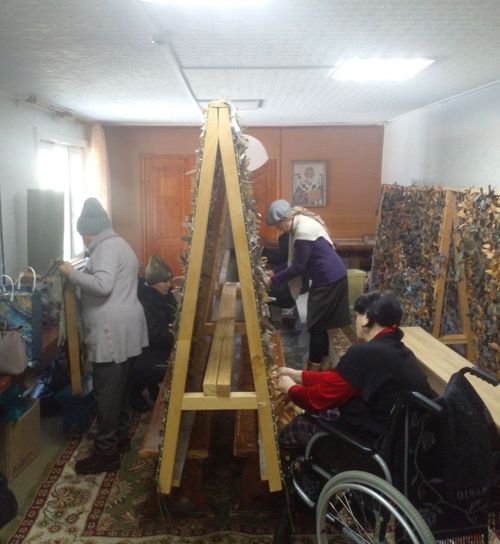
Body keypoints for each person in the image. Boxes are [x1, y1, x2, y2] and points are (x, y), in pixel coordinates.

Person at [274, 291, 433, 450]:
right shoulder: (394, 349)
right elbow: (340, 378)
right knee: (329, 409)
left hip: (375, 446)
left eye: (357, 315)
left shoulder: (365, 353)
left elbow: (317, 399)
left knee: (299, 424)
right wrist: (298, 375)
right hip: (398, 440)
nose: (355, 320)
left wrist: (290, 389)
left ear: (366, 318)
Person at [59, 198, 148, 475]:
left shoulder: (105, 248)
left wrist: (72, 275)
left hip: (112, 334)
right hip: (124, 330)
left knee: (106, 395)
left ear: (90, 231)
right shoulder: (119, 244)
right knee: (119, 390)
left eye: (83, 234)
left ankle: (106, 453)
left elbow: (103, 285)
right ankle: (120, 438)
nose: (83, 240)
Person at [266, 199, 350, 370]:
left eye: (279, 226)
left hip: (329, 281)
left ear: (286, 219)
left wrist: (273, 280)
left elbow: (298, 267)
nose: (279, 230)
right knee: (322, 325)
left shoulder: (303, 232)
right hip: (333, 277)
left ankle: (314, 366)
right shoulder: (302, 222)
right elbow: (296, 262)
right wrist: (275, 272)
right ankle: (324, 363)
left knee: (316, 326)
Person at [131, 255, 177, 411]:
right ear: (153, 283)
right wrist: (174, 334)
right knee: (168, 367)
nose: (169, 285)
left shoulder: (165, 296)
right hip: (146, 352)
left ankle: (152, 389)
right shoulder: (145, 302)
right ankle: (135, 391)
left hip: (160, 346)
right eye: (164, 281)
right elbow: (153, 334)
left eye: (169, 280)